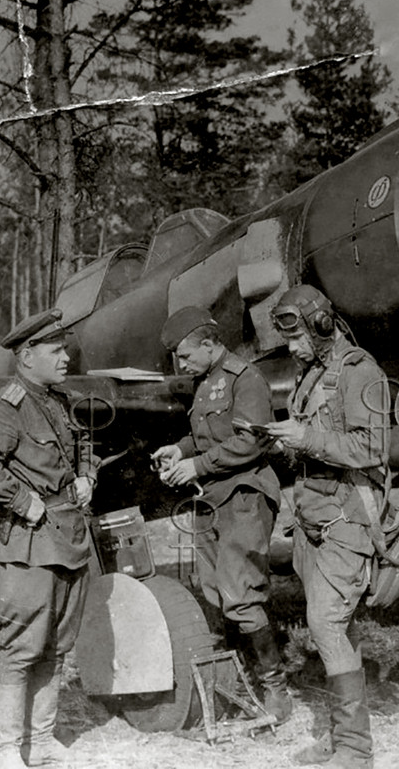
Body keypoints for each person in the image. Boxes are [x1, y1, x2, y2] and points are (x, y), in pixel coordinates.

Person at [0, 308, 98, 769]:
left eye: (65, 349)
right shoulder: (8, 406)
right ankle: (4, 750)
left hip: (67, 539)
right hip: (27, 544)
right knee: (21, 649)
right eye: (56, 351)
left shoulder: (56, 400)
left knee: (56, 647)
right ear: (26, 355)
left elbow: (80, 446)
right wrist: (23, 500)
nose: (66, 358)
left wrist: (85, 475)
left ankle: (40, 741)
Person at [264, 285, 389, 769]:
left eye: (296, 338)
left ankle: (356, 751)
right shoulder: (313, 374)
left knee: (324, 624)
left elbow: (373, 448)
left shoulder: (361, 372)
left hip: (347, 518)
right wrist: (287, 443)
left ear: (321, 325)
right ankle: (340, 738)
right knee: (339, 625)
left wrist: (308, 438)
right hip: (313, 517)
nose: (292, 349)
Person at [150, 306, 291, 723]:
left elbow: (252, 442)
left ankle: (275, 689)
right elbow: (206, 435)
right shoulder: (206, 381)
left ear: (210, 343)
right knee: (214, 593)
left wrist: (196, 466)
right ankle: (235, 684)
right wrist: (181, 449)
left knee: (241, 595)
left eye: (186, 354)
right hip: (213, 500)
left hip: (244, 497)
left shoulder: (246, 379)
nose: (181, 363)